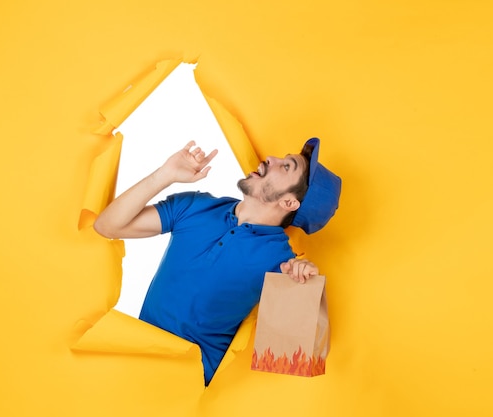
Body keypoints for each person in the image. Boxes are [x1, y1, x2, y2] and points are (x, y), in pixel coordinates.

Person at [94, 137, 341, 385]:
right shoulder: (194, 206)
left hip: (190, 386)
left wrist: (303, 286)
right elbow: (106, 225)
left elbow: (296, 360)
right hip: (134, 360)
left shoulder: (281, 262)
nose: (271, 159)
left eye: (286, 167)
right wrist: (165, 174)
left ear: (289, 202)